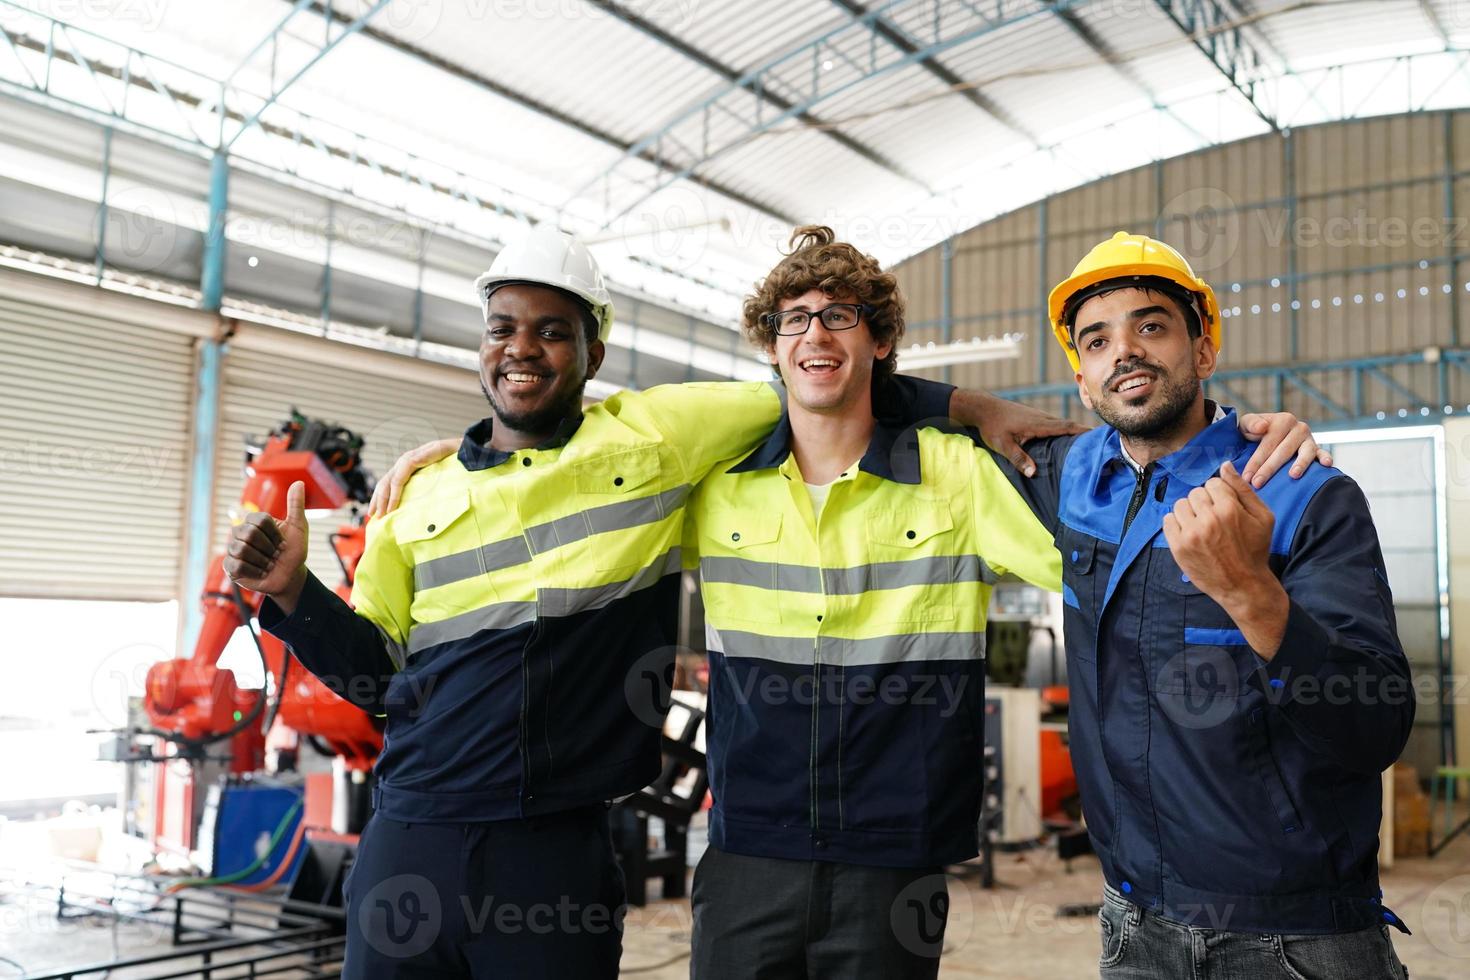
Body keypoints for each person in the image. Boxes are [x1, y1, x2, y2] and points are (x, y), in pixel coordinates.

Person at [372, 226, 1331, 980]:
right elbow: (561, 478)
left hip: (893, 859)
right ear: (773, 349)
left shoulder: (955, 476)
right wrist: (444, 460)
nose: (815, 335)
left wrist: (1232, 446)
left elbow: (1112, 554)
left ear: (877, 342)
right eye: (795, 320)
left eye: (840, 317)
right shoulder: (710, 488)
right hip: (746, 858)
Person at [223, 223, 1078, 978]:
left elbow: (819, 387)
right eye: (503, 329)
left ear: (593, 353)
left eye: (553, 332)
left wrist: (969, 405)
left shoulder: (660, 445)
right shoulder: (420, 499)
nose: (522, 349)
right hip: (414, 837)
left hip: (560, 855)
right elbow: (374, 676)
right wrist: (295, 593)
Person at [986, 231, 1414, 978]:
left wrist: (1253, 593)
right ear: (1083, 381)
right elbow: (870, 397)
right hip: (1132, 923)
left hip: (1292, 938)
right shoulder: (1069, 477)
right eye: (1098, 340)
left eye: (1151, 326)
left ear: (1204, 350)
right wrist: (972, 404)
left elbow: (1373, 727)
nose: (1126, 351)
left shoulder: (1301, 493)